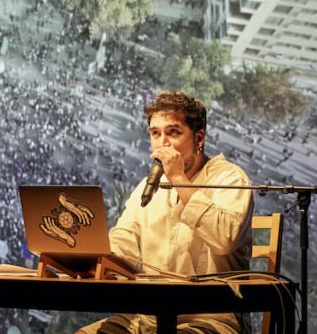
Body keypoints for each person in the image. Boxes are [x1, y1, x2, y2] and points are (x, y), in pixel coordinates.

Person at [77, 91, 254, 334]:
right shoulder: (148, 186)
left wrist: (179, 178)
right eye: (155, 133)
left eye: (173, 132)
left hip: (210, 317)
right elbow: (123, 239)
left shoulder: (230, 178)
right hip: (146, 317)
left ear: (199, 137)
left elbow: (225, 239)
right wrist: (97, 259)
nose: (163, 143)